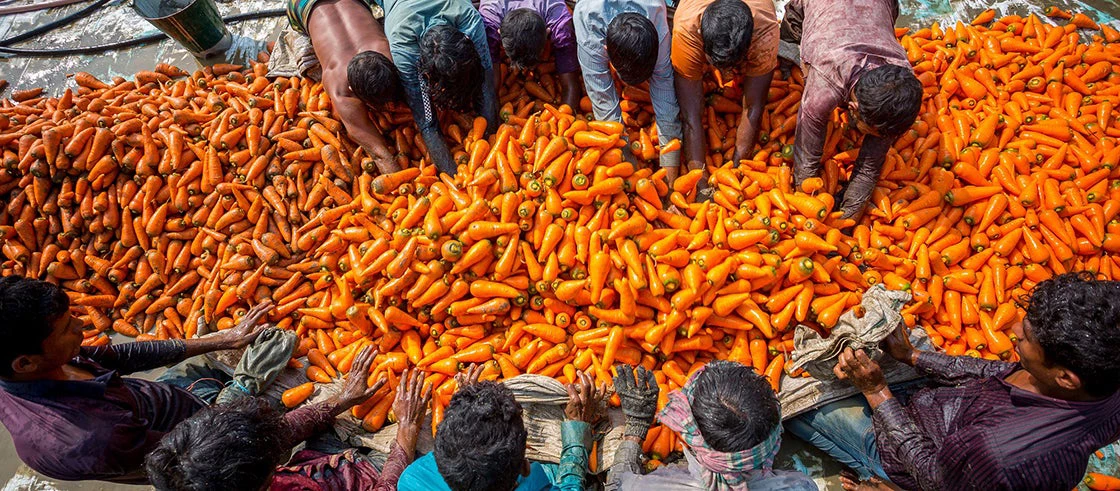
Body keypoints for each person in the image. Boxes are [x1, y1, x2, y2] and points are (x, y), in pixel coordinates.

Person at [818, 272, 1120, 490]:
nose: (1014, 329)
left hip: (914, 461)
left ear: (1066, 378)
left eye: (1026, 338)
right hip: (947, 416)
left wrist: (878, 392)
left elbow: (933, 475)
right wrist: (913, 356)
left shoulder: (997, 451)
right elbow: (995, 373)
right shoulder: (1105, 376)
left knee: (804, 400)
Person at [0, 276, 273, 483]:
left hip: (157, 404)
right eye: (65, 328)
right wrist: (236, 398)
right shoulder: (90, 438)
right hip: (188, 450)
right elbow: (190, 456)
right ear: (25, 363)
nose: (80, 323)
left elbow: (121, 356)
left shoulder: (35, 363)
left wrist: (219, 340)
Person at [146, 348, 432, 491]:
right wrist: (406, 433)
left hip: (317, 463)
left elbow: (277, 434)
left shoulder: (210, 479)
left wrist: (340, 402)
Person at [781, 0, 922, 219]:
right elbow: (806, 159)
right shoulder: (826, 82)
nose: (879, 138)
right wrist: (807, 201)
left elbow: (869, 167)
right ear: (852, 108)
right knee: (791, 30)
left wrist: (848, 218)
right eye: (871, 131)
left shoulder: (902, 78)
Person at [608, 362, 817, 490]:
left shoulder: (643, 488)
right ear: (772, 440)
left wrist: (635, 428)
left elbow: (617, 485)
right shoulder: (800, 487)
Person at [397, 364, 606, 490]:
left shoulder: (412, 480)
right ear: (526, 467)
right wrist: (576, 434)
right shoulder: (536, 480)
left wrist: (470, 408)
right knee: (552, 472)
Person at [381, 0, 500, 175]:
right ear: (426, 73)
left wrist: (491, 145)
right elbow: (427, 121)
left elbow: (485, 82)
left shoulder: (468, 19)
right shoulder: (404, 47)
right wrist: (454, 179)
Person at [672, 0, 779, 192]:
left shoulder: (765, 31)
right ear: (702, 42)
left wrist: (736, 172)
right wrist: (701, 182)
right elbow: (690, 115)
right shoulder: (686, 30)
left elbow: (754, 107)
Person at [286, 0, 404, 174]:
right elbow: (379, 154)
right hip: (301, 5)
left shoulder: (391, 57)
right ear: (352, 89)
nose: (390, 108)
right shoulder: (339, 85)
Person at [573, 0, 683, 182]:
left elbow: (664, 84)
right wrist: (626, 163)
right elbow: (603, 99)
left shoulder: (656, 17)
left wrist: (669, 175)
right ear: (606, 51)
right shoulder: (588, 23)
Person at [479, 0, 582, 109]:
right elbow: (489, 88)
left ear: (548, 33)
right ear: (499, 33)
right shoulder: (488, 24)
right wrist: (493, 124)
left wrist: (563, 120)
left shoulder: (561, 27)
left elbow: (571, 85)